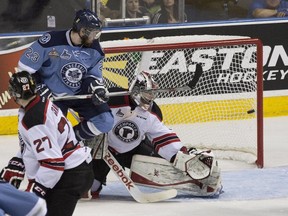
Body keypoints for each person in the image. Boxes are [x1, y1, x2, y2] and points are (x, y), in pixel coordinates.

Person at [83, 71, 221, 199]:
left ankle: (200, 183)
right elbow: (86, 111)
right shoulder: (113, 98)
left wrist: (182, 153)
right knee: (90, 189)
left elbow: (163, 137)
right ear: (136, 90)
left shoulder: (153, 113)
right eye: (147, 94)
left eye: (152, 95)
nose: (149, 99)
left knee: (163, 167)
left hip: (133, 150)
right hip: (102, 148)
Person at [1, 71, 94, 216]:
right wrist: (18, 161)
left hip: (70, 176)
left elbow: (54, 164)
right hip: (72, 171)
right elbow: (34, 144)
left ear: (14, 93)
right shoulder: (37, 104)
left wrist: (34, 191)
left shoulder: (34, 119)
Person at [17, 9, 114, 143]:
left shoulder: (95, 48)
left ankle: (70, 142)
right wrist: (37, 86)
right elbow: (24, 68)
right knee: (51, 135)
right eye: (93, 33)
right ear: (82, 30)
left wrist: (96, 88)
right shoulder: (50, 41)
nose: (95, 37)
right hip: (52, 97)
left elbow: (93, 75)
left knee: (105, 121)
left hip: (79, 94)